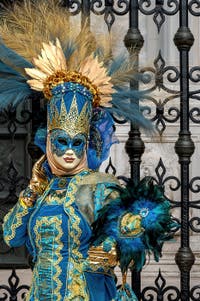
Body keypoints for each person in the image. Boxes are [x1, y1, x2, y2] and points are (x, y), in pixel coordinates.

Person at [1, 2, 177, 300]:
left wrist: (116, 246)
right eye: (61, 142)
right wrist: (32, 189)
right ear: (48, 141)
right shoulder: (42, 191)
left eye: (76, 143)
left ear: (86, 143)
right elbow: (11, 235)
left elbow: (135, 231)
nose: (69, 152)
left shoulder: (100, 188)